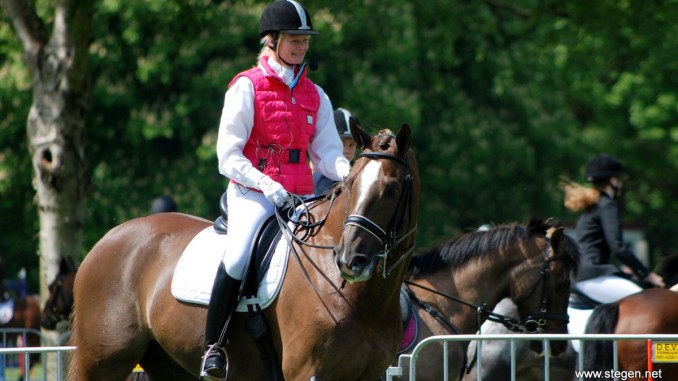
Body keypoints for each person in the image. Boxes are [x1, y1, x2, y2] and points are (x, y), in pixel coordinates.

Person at [200, 1, 351, 380]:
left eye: (305, 41)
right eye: (294, 40)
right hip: (253, 194)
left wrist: (352, 173)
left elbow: (329, 155)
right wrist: (266, 184)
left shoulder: (317, 95)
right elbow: (227, 156)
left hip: (302, 198)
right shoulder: (246, 86)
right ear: (272, 40)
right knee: (237, 258)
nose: (302, 47)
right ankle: (213, 346)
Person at [562, 153, 664, 305]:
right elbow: (618, 247)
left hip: (579, 275)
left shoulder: (592, 207)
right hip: (595, 275)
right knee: (650, 303)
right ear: (613, 180)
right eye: (619, 179)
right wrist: (648, 275)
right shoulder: (607, 205)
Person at [313, 107, 359, 195]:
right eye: (341, 144)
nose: (346, 151)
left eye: (351, 145)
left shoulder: (359, 174)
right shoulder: (320, 180)